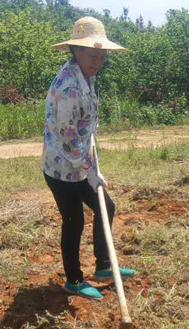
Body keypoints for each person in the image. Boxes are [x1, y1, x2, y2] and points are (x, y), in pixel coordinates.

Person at [42, 16, 135, 300]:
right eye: (93, 55)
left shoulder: (86, 76)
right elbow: (69, 140)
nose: (98, 61)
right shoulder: (69, 87)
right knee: (74, 221)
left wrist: (89, 164)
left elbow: (84, 127)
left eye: (102, 56)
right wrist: (90, 171)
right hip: (61, 168)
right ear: (77, 51)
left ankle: (104, 266)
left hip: (80, 161)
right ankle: (73, 280)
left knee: (106, 206)